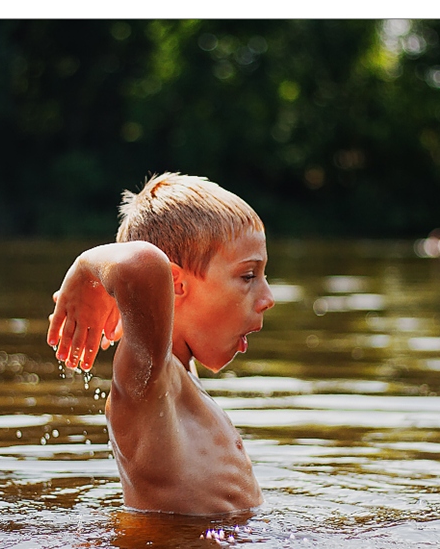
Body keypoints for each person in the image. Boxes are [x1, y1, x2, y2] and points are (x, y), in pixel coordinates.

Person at [47, 172, 275, 515]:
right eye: (248, 276)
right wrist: (84, 271)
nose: (268, 298)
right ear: (175, 283)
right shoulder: (148, 380)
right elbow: (141, 264)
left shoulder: (180, 375)